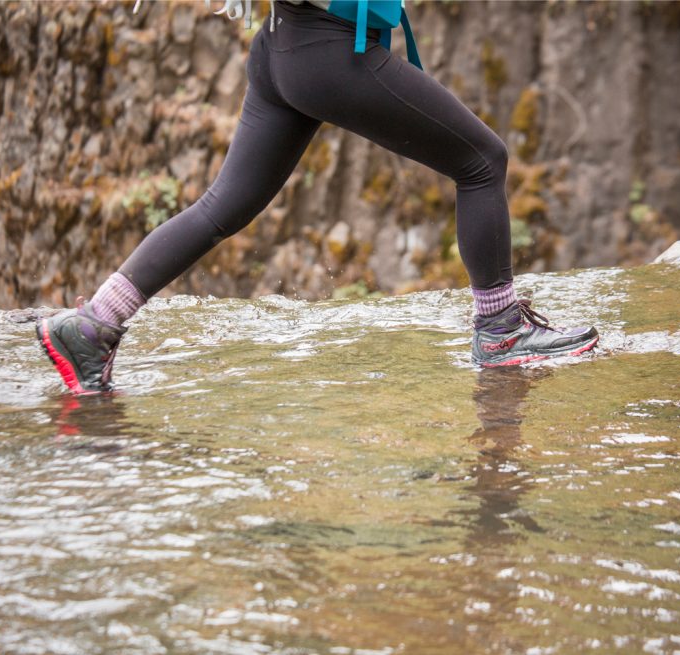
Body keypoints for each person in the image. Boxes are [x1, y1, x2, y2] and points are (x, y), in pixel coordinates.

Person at [36, 0, 599, 395]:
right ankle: (500, 332)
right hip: (327, 52)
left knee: (220, 207)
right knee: (482, 162)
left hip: (282, 47)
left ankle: (93, 325)